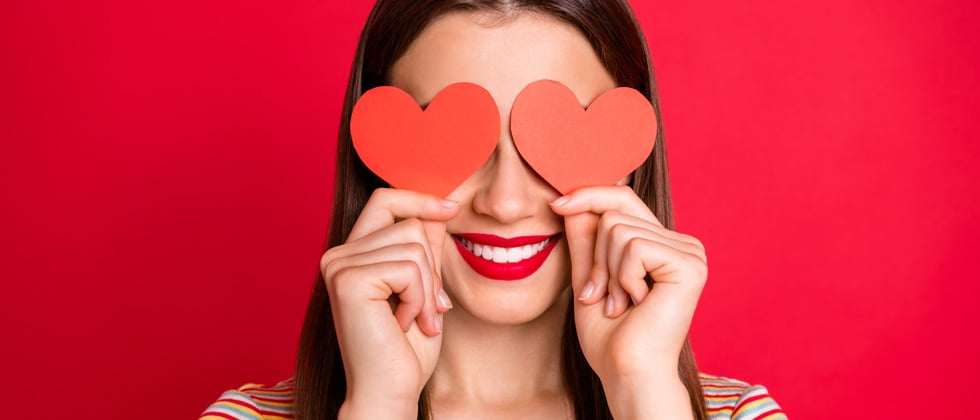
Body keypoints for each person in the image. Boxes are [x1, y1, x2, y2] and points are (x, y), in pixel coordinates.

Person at [201, 0, 786, 419]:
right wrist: (382, 404)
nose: (505, 203)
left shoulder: (734, 414)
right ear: (379, 156)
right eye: (460, 142)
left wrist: (642, 392)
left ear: (628, 161)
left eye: (553, 142)